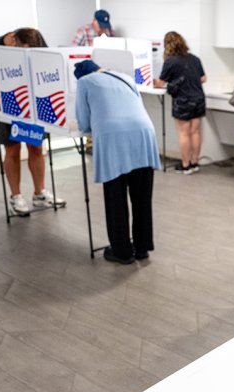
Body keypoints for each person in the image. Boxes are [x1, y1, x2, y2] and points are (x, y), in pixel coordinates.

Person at [74, 60, 159, 264]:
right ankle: (141, 247)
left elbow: (84, 122)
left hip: (113, 138)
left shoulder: (84, 82)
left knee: (116, 196)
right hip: (144, 133)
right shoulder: (125, 77)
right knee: (141, 196)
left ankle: (122, 251)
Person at [0, 28, 64, 215]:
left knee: (35, 146)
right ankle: (16, 196)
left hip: (33, 101)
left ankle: (40, 193)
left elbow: (48, 68)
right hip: (4, 101)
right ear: (12, 40)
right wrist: (14, 107)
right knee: (12, 148)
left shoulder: (37, 39)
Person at [155, 31, 206, 174]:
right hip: (199, 98)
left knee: (184, 133)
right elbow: (203, 79)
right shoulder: (195, 59)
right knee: (195, 132)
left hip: (183, 100)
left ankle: (185, 165)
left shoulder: (170, 61)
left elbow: (160, 83)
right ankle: (194, 163)